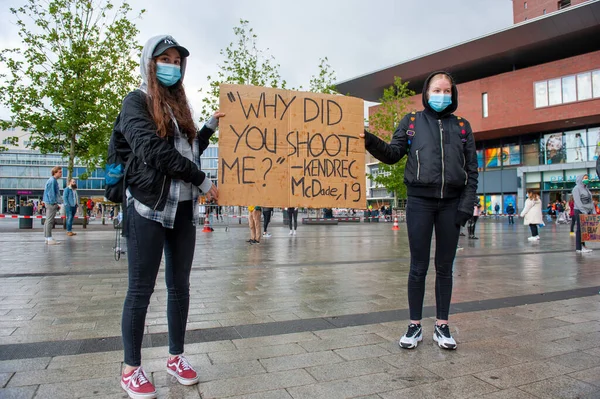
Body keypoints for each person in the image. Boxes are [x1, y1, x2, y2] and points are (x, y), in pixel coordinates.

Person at [115, 35, 223, 399]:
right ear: (150, 62)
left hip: (182, 210)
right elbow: (153, 150)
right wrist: (203, 180)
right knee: (141, 289)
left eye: (177, 61)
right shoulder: (136, 103)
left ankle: (175, 357)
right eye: (165, 58)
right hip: (147, 207)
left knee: (180, 288)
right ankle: (131, 367)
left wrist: (207, 128)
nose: (172, 65)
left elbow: (188, 153)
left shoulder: (181, 109)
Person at [361, 71, 478, 350]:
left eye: (446, 90)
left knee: (445, 268)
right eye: (436, 90)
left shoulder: (462, 126)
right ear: (426, 93)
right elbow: (391, 154)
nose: (441, 95)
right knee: (418, 267)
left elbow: (472, 171)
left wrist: (465, 206)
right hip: (419, 203)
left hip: (452, 204)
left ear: (453, 94)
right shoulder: (412, 122)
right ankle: (414, 325)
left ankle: (442, 326)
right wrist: (365, 138)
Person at [572, 174, 595, 253]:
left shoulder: (586, 189)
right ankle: (579, 248)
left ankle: (583, 246)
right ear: (580, 179)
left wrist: (593, 211)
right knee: (580, 229)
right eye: (585, 178)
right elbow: (578, 202)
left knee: (584, 230)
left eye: (587, 178)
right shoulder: (576, 189)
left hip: (587, 211)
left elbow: (591, 201)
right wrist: (584, 211)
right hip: (579, 211)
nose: (587, 179)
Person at [42, 166, 63, 245]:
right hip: (51, 203)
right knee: (49, 221)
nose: (61, 174)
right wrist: (54, 203)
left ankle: (47, 238)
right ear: (55, 172)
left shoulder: (52, 180)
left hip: (49, 202)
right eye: (59, 172)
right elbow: (51, 193)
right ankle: (49, 238)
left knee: (48, 221)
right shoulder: (52, 181)